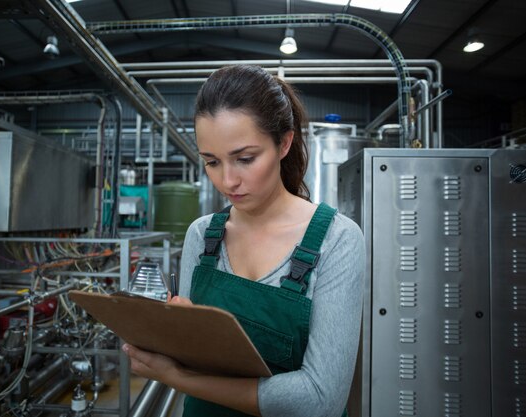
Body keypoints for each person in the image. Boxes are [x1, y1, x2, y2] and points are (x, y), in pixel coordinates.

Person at [122, 64, 364, 417]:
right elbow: (190, 353)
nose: (227, 181)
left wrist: (178, 378)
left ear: (284, 143)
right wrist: (169, 334)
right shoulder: (202, 235)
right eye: (211, 162)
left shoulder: (338, 240)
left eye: (245, 159)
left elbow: (319, 399)